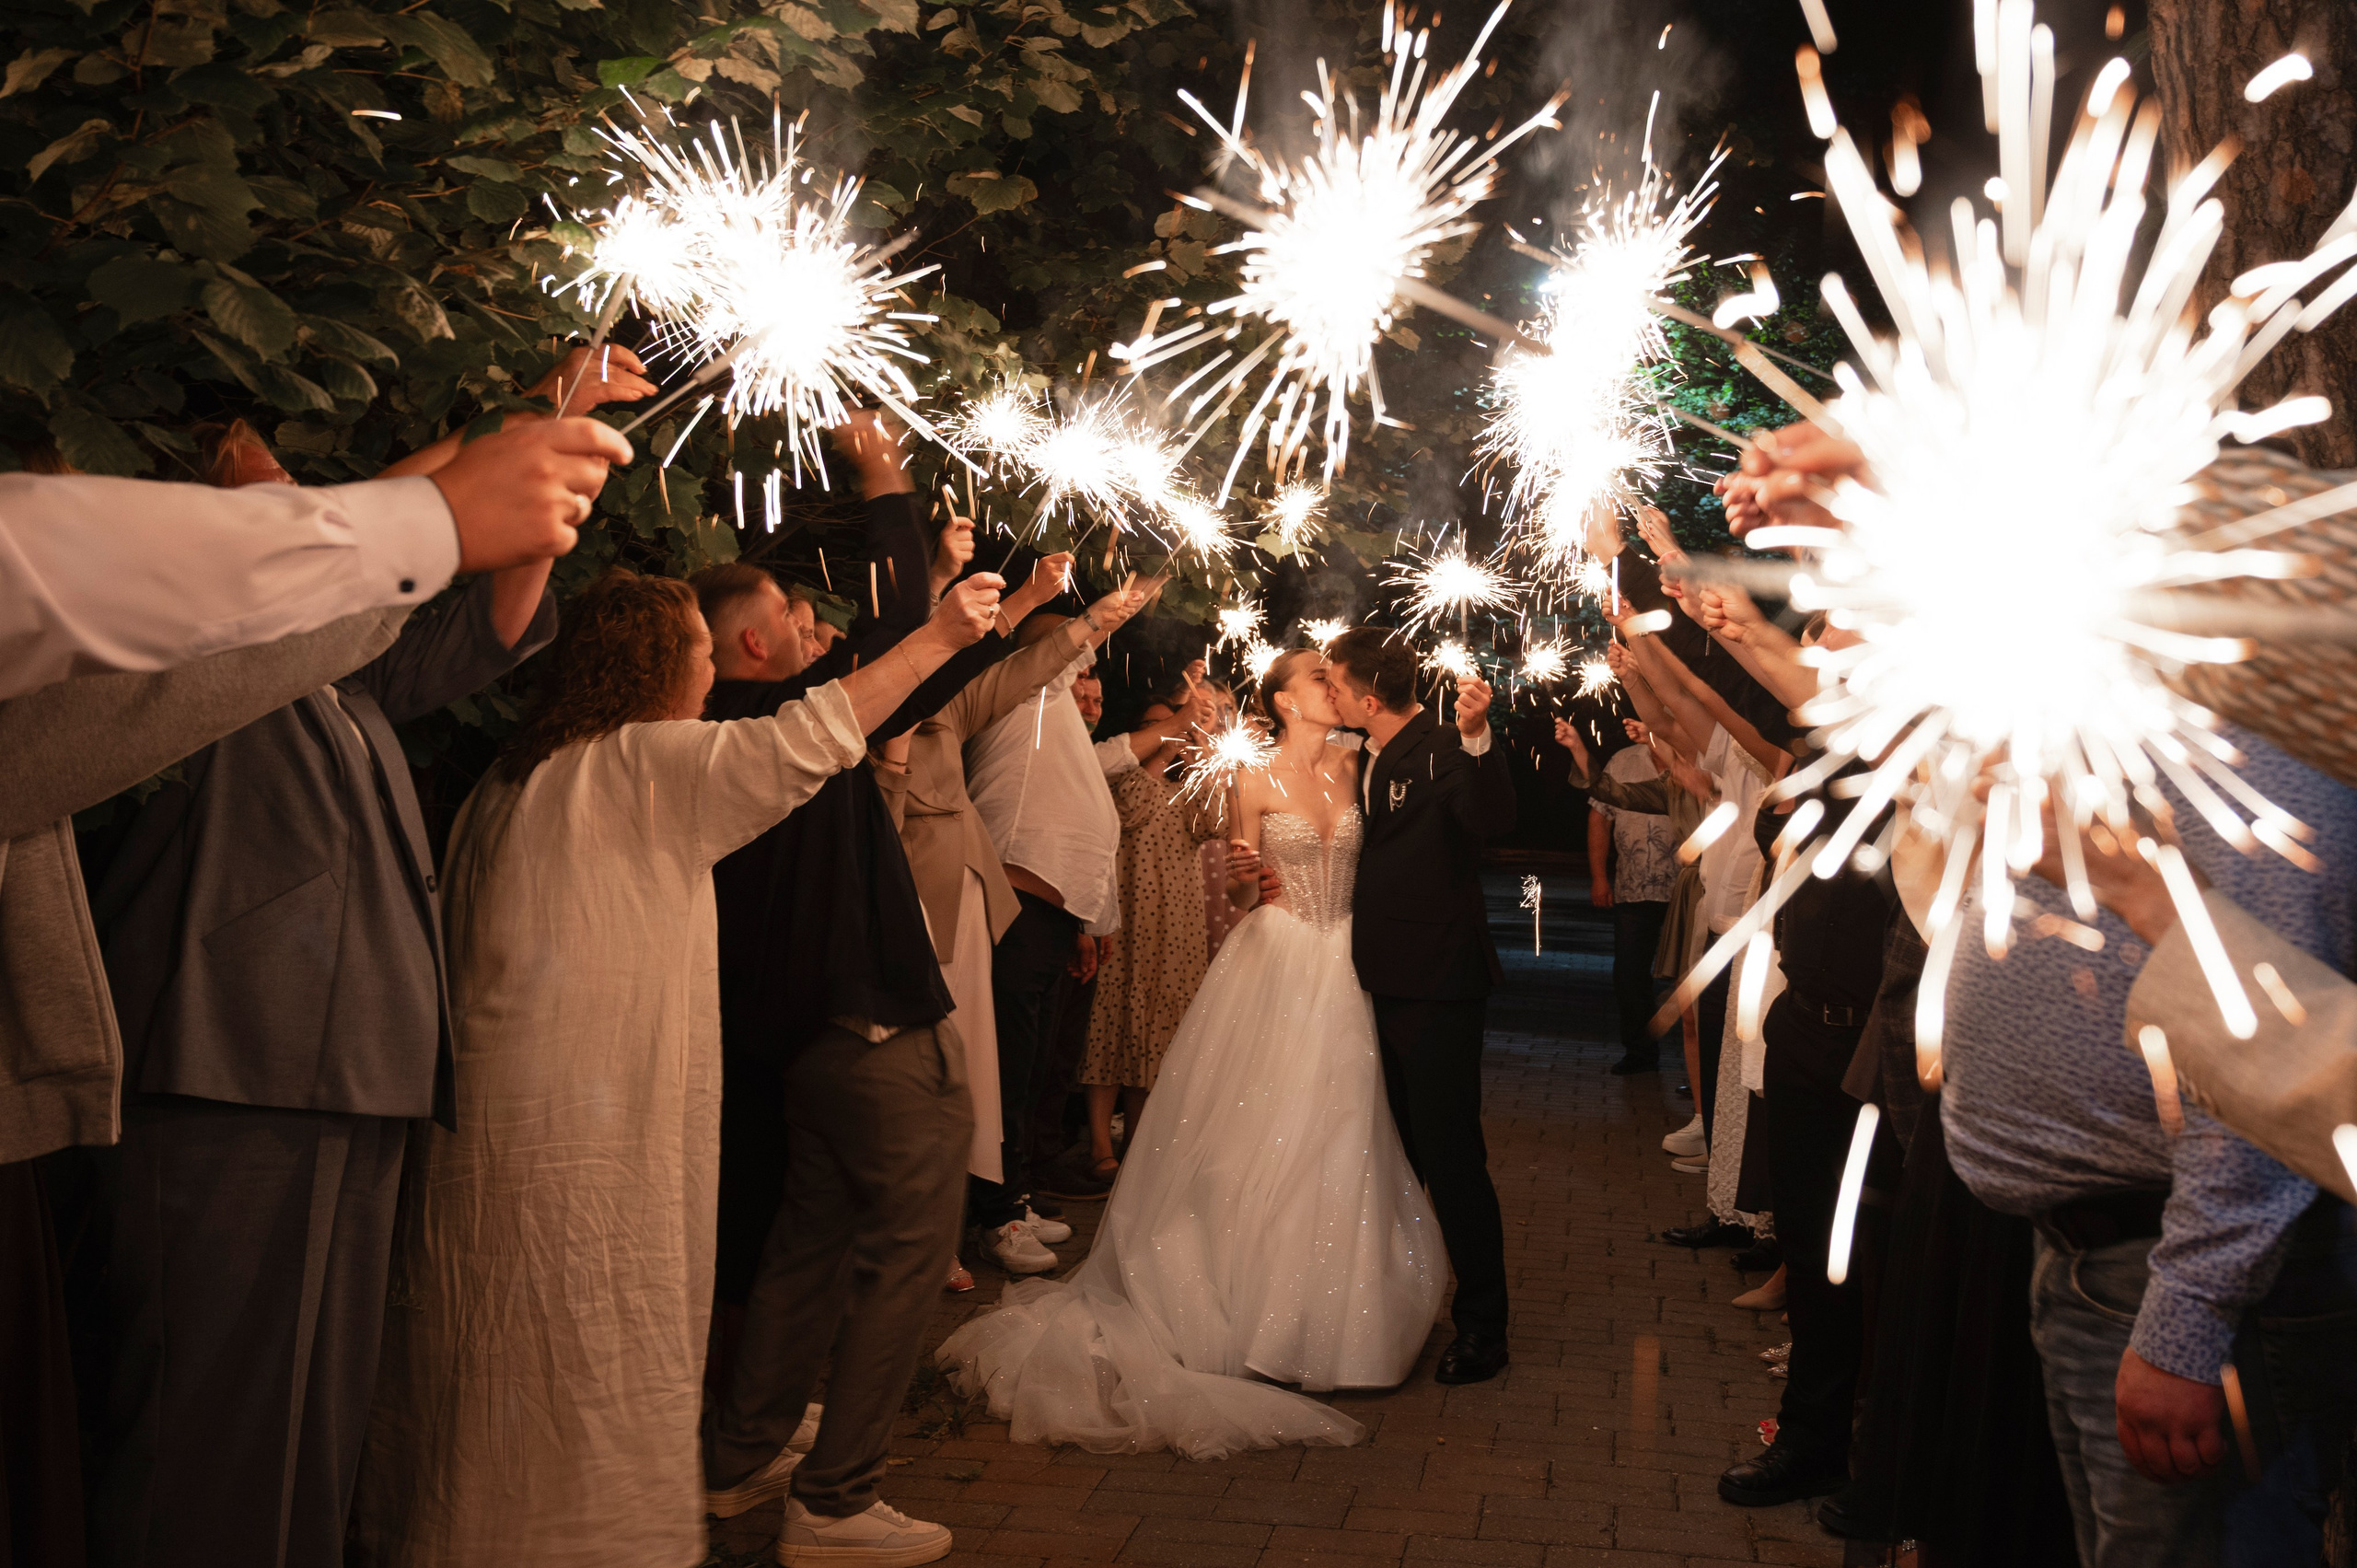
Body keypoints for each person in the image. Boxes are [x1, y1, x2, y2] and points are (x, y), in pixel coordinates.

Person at [351, 563, 1002, 1568]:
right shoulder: (638, 764)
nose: (710, 670)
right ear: (660, 662)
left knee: (488, 1356)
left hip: (494, 1138)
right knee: (579, 1352)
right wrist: (941, 635)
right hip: (584, 1140)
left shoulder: (518, 773)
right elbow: (811, 736)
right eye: (700, 651)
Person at [80, 407, 595, 1568]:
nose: (294, 493)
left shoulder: (345, 675)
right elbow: (349, 533)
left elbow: (486, 610)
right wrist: (508, 430)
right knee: (207, 1427)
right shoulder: (194, 639)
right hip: (228, 1068)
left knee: (317, 1415)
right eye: (263, 483)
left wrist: (545, 486)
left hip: (356, 1071)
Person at [939, 648, 1444, 1457]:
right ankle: (1247, 1305)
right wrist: (1247, 876)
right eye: (1317, 675)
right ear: (1283, 700)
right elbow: (1244, 893)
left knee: (1344, 1125)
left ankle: (1336, 1313)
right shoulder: (1251, 777)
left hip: (1350, 962)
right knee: (1263, 1127)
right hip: (1276, 958)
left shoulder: (1361, 763)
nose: (1333, 684)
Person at [1, 414, 629, 702]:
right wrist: (445, 510)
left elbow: (487, 636)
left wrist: (547, 489)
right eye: (275, 496)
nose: (303, 502)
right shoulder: (179, 669)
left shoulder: (346, 675)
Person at [1320, 625, 1519, 1385]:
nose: (1329, 695)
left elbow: (1493, 820)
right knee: (1393, 1153)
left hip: (1436, 981)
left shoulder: (1442, 747)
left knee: (1451, 1155)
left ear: (1369, 697)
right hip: (1369, 979)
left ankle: (1484, 1327)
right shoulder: (1358, 753)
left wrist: (1479, 739)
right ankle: (1401, 1303)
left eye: (1335, 684)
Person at [961, 612, 1133, 1270]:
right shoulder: (1023, 689)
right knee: (1004, 1066)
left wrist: (1092, 921)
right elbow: (1067, 643)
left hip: (1052, 911)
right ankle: (995, 1215)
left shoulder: (1054, 709)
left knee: (1029, 1069)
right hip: (1017, 900)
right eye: (1076, 650)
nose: (1087, 662)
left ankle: (1016, 1196)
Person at [1078, 680, 1231, 1176]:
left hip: (1177, 926)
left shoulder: (1185, 787)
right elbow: (1133, 809)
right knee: (1110, 1030)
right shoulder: (1119, 780)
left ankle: (1142, 1147)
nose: (1165, 733)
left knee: (1161, 1037)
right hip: (1124, 920)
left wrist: (1203, 742)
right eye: (1151, 725)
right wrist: (1166, 742)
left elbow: (1216, 823)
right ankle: (1101, 1147)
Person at [1589, 728, 1677, 1074]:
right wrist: (1599, 876)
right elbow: (1599, 816)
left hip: (1685, 889)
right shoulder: (1624, 760)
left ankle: (1698, 1066)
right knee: (1630, 975)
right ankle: (1640, 1053)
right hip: (1633, 888)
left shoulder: (1695, 758)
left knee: (1689, 981)